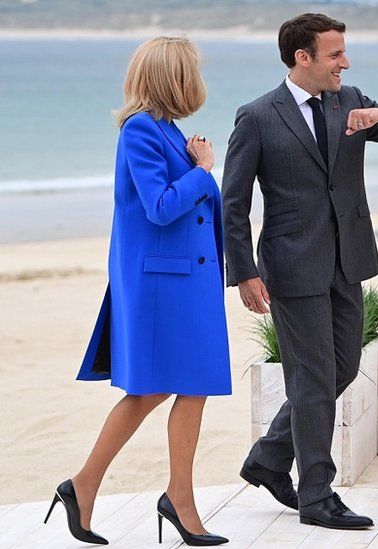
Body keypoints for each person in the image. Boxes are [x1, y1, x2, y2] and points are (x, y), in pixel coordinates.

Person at [222, 13, 378, 530]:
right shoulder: (257, 116)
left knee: (338, 370)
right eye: (335, 54)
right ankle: (316, 494)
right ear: (303, 58)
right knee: (313, 378)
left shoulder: (350, 98)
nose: (346, 62)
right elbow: (233, 202)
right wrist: (245, 272)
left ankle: (269, 457)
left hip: (349, 259)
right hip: (292, 266)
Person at [45, 36, 231, 547]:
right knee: (150, 389)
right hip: (160, 286)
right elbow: (161, 206)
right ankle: (87, 486)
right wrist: (202, 171)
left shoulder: (169, 130)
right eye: (191, 70)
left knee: (195, 386)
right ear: (174, 77)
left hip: (190, 284)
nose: (198, 79)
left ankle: (174, 498)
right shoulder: (140, 132)